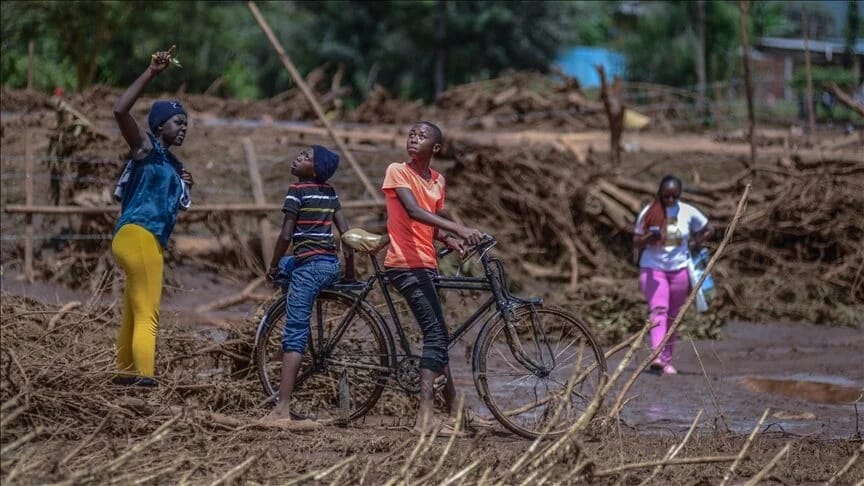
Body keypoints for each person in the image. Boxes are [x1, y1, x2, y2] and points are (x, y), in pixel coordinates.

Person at [382, 121, 484, 435]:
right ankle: (425, 417)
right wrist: (460, 228)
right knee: (436, 336)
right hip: (404, 263)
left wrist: (449, 240)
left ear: (435, 148)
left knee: (438, 336)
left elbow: (430, 225)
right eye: (410, 133)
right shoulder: (398, 171)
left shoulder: (437, 180)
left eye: (421, 136)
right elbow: (413, 211)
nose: (413, 138)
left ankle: (455, 413)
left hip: (426, 264)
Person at [111, 46, 193, 387]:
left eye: (187, 123)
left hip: (146, 240)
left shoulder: (174, 167)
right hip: (139, 235)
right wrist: (151, 73)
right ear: (159, 125)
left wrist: (185, 182)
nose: (184, 128)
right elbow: (120, 110)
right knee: (149, 312)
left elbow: (171, 201)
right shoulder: (145, 151)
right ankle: (145, 379)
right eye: (178, 122)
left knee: (133, 310)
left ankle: (125, 373)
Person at [259, 145, 353, 429]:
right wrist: (350, 273)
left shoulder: (296, 191)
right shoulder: (330, 192)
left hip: (309, 269)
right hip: (329, 266)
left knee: (295, 329)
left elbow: (286, 233)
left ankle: (282, 409)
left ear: (315, 169)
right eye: (300, 153)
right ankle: (292, 335)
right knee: (289, 269)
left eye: (306, 157)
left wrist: (272, 264)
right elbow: (346, 235)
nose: (299, 156)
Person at [633, 175, 713, 375]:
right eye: (666, 196)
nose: (669, 200)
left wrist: (695, 244)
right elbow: (636, 241)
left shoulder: (688, 211)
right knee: (658, 310)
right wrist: (649, 237)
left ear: (679, 196)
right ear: (660, 193)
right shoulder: (649, 212)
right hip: (653, 269)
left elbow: (708, 228)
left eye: (674, 197)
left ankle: (666, 361)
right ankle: (657, 356)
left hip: (679, 271)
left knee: (673, 316)